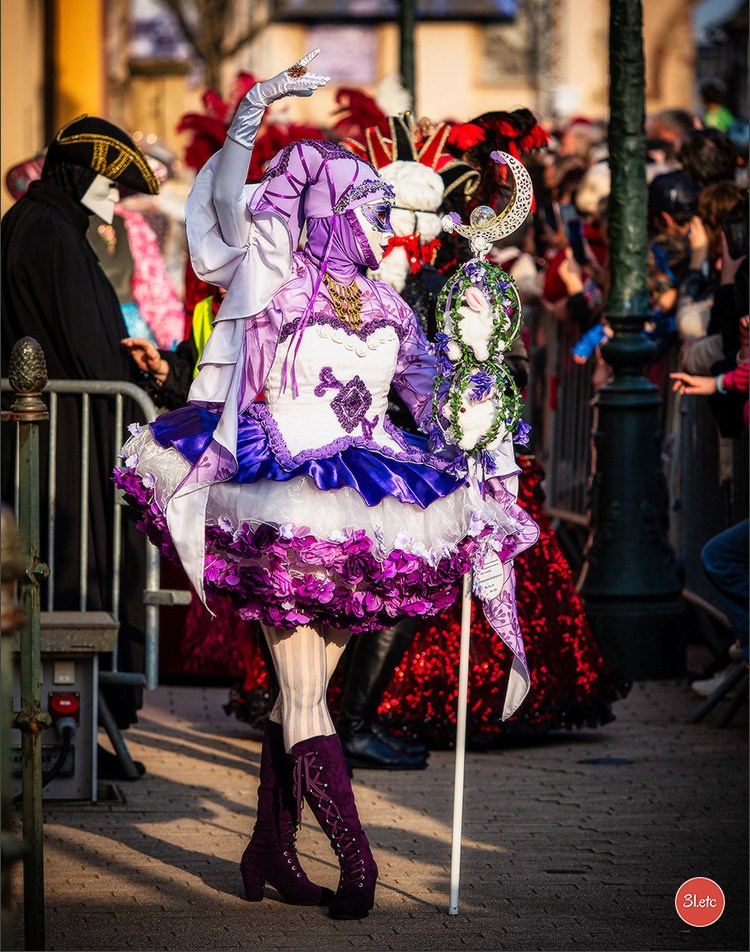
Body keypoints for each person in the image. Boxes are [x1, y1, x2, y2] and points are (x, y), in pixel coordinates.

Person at [113, 52, 538, 920]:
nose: (368, 216)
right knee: (305, 692)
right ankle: (359, 862)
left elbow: (430, 393)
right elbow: (226, 207)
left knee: (304, 693)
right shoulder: (276, 282)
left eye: (367, 203)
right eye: (351, 201)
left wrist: (481, 399)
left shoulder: (387, 304)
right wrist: (250, 114)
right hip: (283, 498)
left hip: (371, 503)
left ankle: (268, 849)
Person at [1, 115, 160, 736]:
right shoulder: (51, 234)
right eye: (111, 182)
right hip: (64, 437)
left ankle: (85, 717)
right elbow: (87, 346)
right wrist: (134, 377)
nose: (116, 196)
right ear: (81, 173)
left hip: (62, 429)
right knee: (70, 569)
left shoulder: (43, 225)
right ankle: (70, 719)